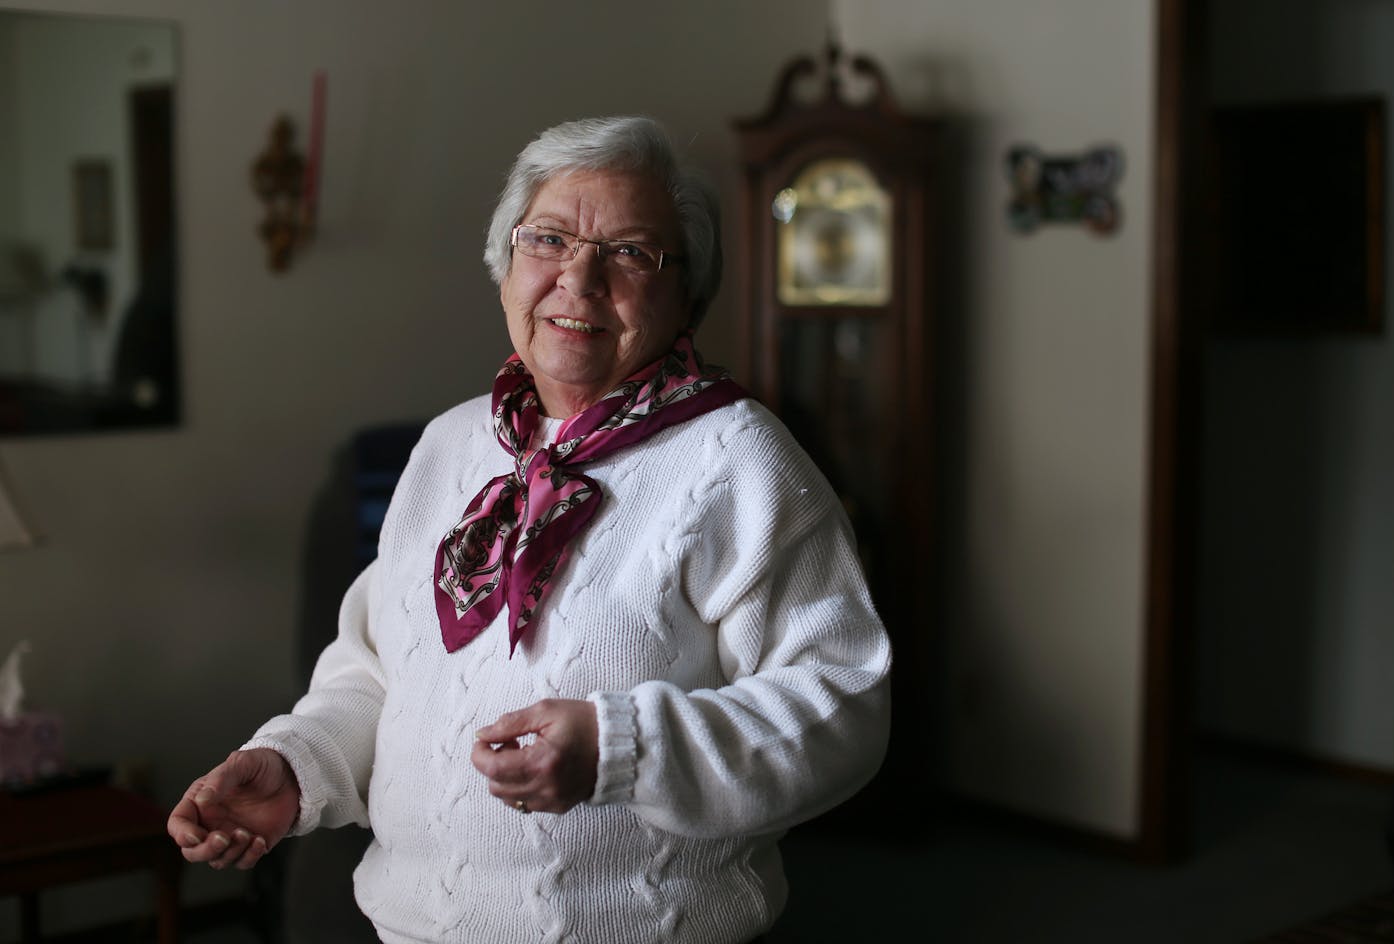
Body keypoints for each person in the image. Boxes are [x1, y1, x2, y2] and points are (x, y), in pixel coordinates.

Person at [168, 115, 891, 944]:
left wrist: (627, 750)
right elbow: (375, 672)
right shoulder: (450, 447)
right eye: (547, 239)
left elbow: (841, 706)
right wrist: (298, 763)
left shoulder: (741, 460)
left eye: (630, 253)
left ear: (686, 292)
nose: (577, 280)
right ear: (506, 266)